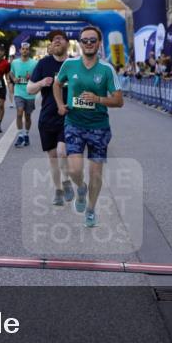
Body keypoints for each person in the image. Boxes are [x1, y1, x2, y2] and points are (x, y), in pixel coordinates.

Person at [52, 25, 123, 228]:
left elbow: (119, 101)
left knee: (96, 174)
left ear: (99, 44)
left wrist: (98, 99)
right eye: (85, 40)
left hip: (99, 127)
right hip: (74, 123)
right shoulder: (69, 64)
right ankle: (80, 188)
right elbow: (57, 84)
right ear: (80, 43)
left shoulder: (107, 69)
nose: (89, 43)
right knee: (74, 170)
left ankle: (90, 209)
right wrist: (59, 104)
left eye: (93, 40)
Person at [28, 30, 74, 206]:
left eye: (60, 39)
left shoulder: (74, 64)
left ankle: (66, 180)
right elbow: (30, 89)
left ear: (67, 43)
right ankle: (58, 190)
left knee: (63, 151)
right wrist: (41, 83)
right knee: (53, 157)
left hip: (68, 116)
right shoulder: (43, 64)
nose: (56, 42)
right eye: (53, 40)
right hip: (47, 117)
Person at [10, 41, 38, 147]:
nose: (25, 51)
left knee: (27, 116)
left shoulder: (34, 63)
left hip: (30, 92)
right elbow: (11, 73)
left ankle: (26, 134)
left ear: (29, 51)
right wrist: (14, 79)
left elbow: (37, 76)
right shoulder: (15, 62)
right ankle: (20, 135)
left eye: (26, 49)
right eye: (23, 49)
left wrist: (31, 77)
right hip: (19, 92)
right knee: (19, 112)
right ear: (20, 50)